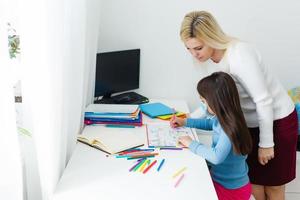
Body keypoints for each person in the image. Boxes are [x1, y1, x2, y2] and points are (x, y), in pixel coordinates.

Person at [179, 11, 298, 200]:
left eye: (198, 48)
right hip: (248, 124)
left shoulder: (239, 55)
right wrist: (186, 119)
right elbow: (212, 101)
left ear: (211, 38)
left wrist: (266, 144)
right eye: (189, 49)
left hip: (276, 122)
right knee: (255, 183)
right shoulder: (212, 60)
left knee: (273, 186)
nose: (194, 54)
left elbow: (263, 100)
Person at [170, 72, 253, 200]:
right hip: (224, 182)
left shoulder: (229, 127)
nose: (202, 105)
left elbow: (216, 157)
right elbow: (209, 124)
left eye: (203, 101)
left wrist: (191, 143)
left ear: (217, 101)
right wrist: (185, 122)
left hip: (231, 190)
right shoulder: (227, 117)